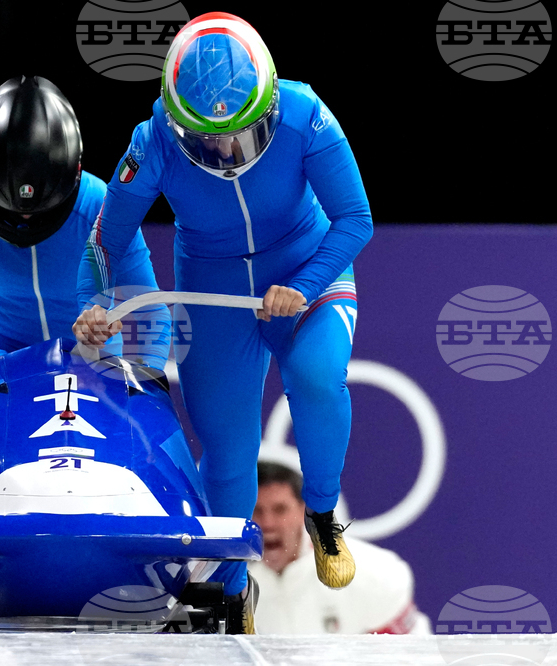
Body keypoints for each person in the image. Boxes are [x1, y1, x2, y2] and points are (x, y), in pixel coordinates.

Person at [73, 12, 373, 629]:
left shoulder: (304, 113)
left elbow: (355, 220)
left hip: (305, 264)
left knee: (317, 375)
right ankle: (232, 590)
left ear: (267, 104)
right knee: (228, 448)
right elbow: (106, 235)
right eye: (207, 142)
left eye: (241, 136)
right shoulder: (152, 139)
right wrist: (94, 301)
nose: (226, 153)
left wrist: (305, 285)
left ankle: (322, 515)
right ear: (178, 122)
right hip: (214, 287)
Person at [0, 75, 168, 406]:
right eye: (9, 212)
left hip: (93, 358)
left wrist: (148, 377)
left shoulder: (102, 207)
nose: (25, 222)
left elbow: (151, 307)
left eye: (41, 213)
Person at [251, 461, 431, 634]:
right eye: (256, 510)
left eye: (280, 509)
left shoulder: (373, 573)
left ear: (303, 511)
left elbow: (408, 656)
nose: (267, 523)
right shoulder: (228, 581)